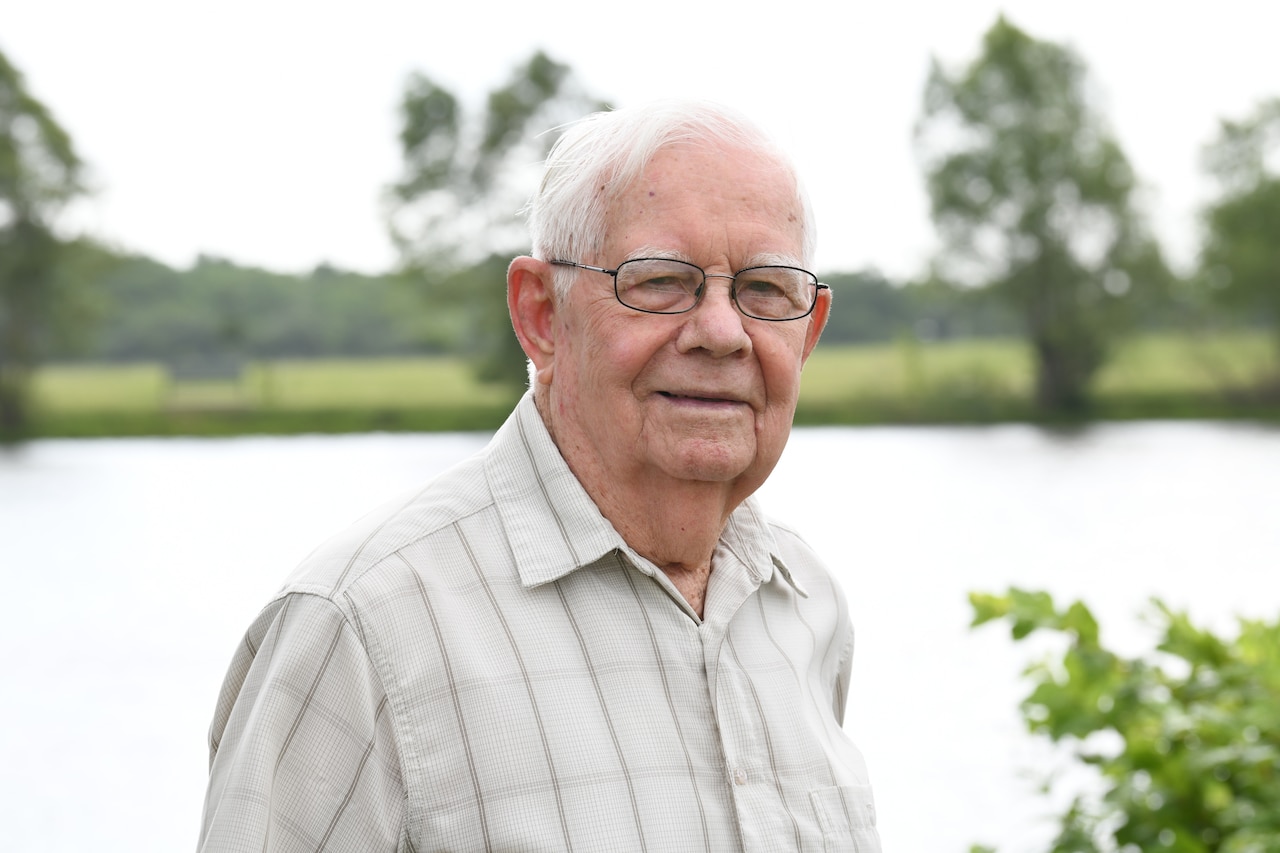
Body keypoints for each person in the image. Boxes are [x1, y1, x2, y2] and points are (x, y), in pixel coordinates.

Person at [198, 99, 880, 852]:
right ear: (541, 315)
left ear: (809, 330)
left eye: (764, 290)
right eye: (659, 281)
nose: (721, 332)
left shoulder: (804, 603)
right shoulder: (359, 627)